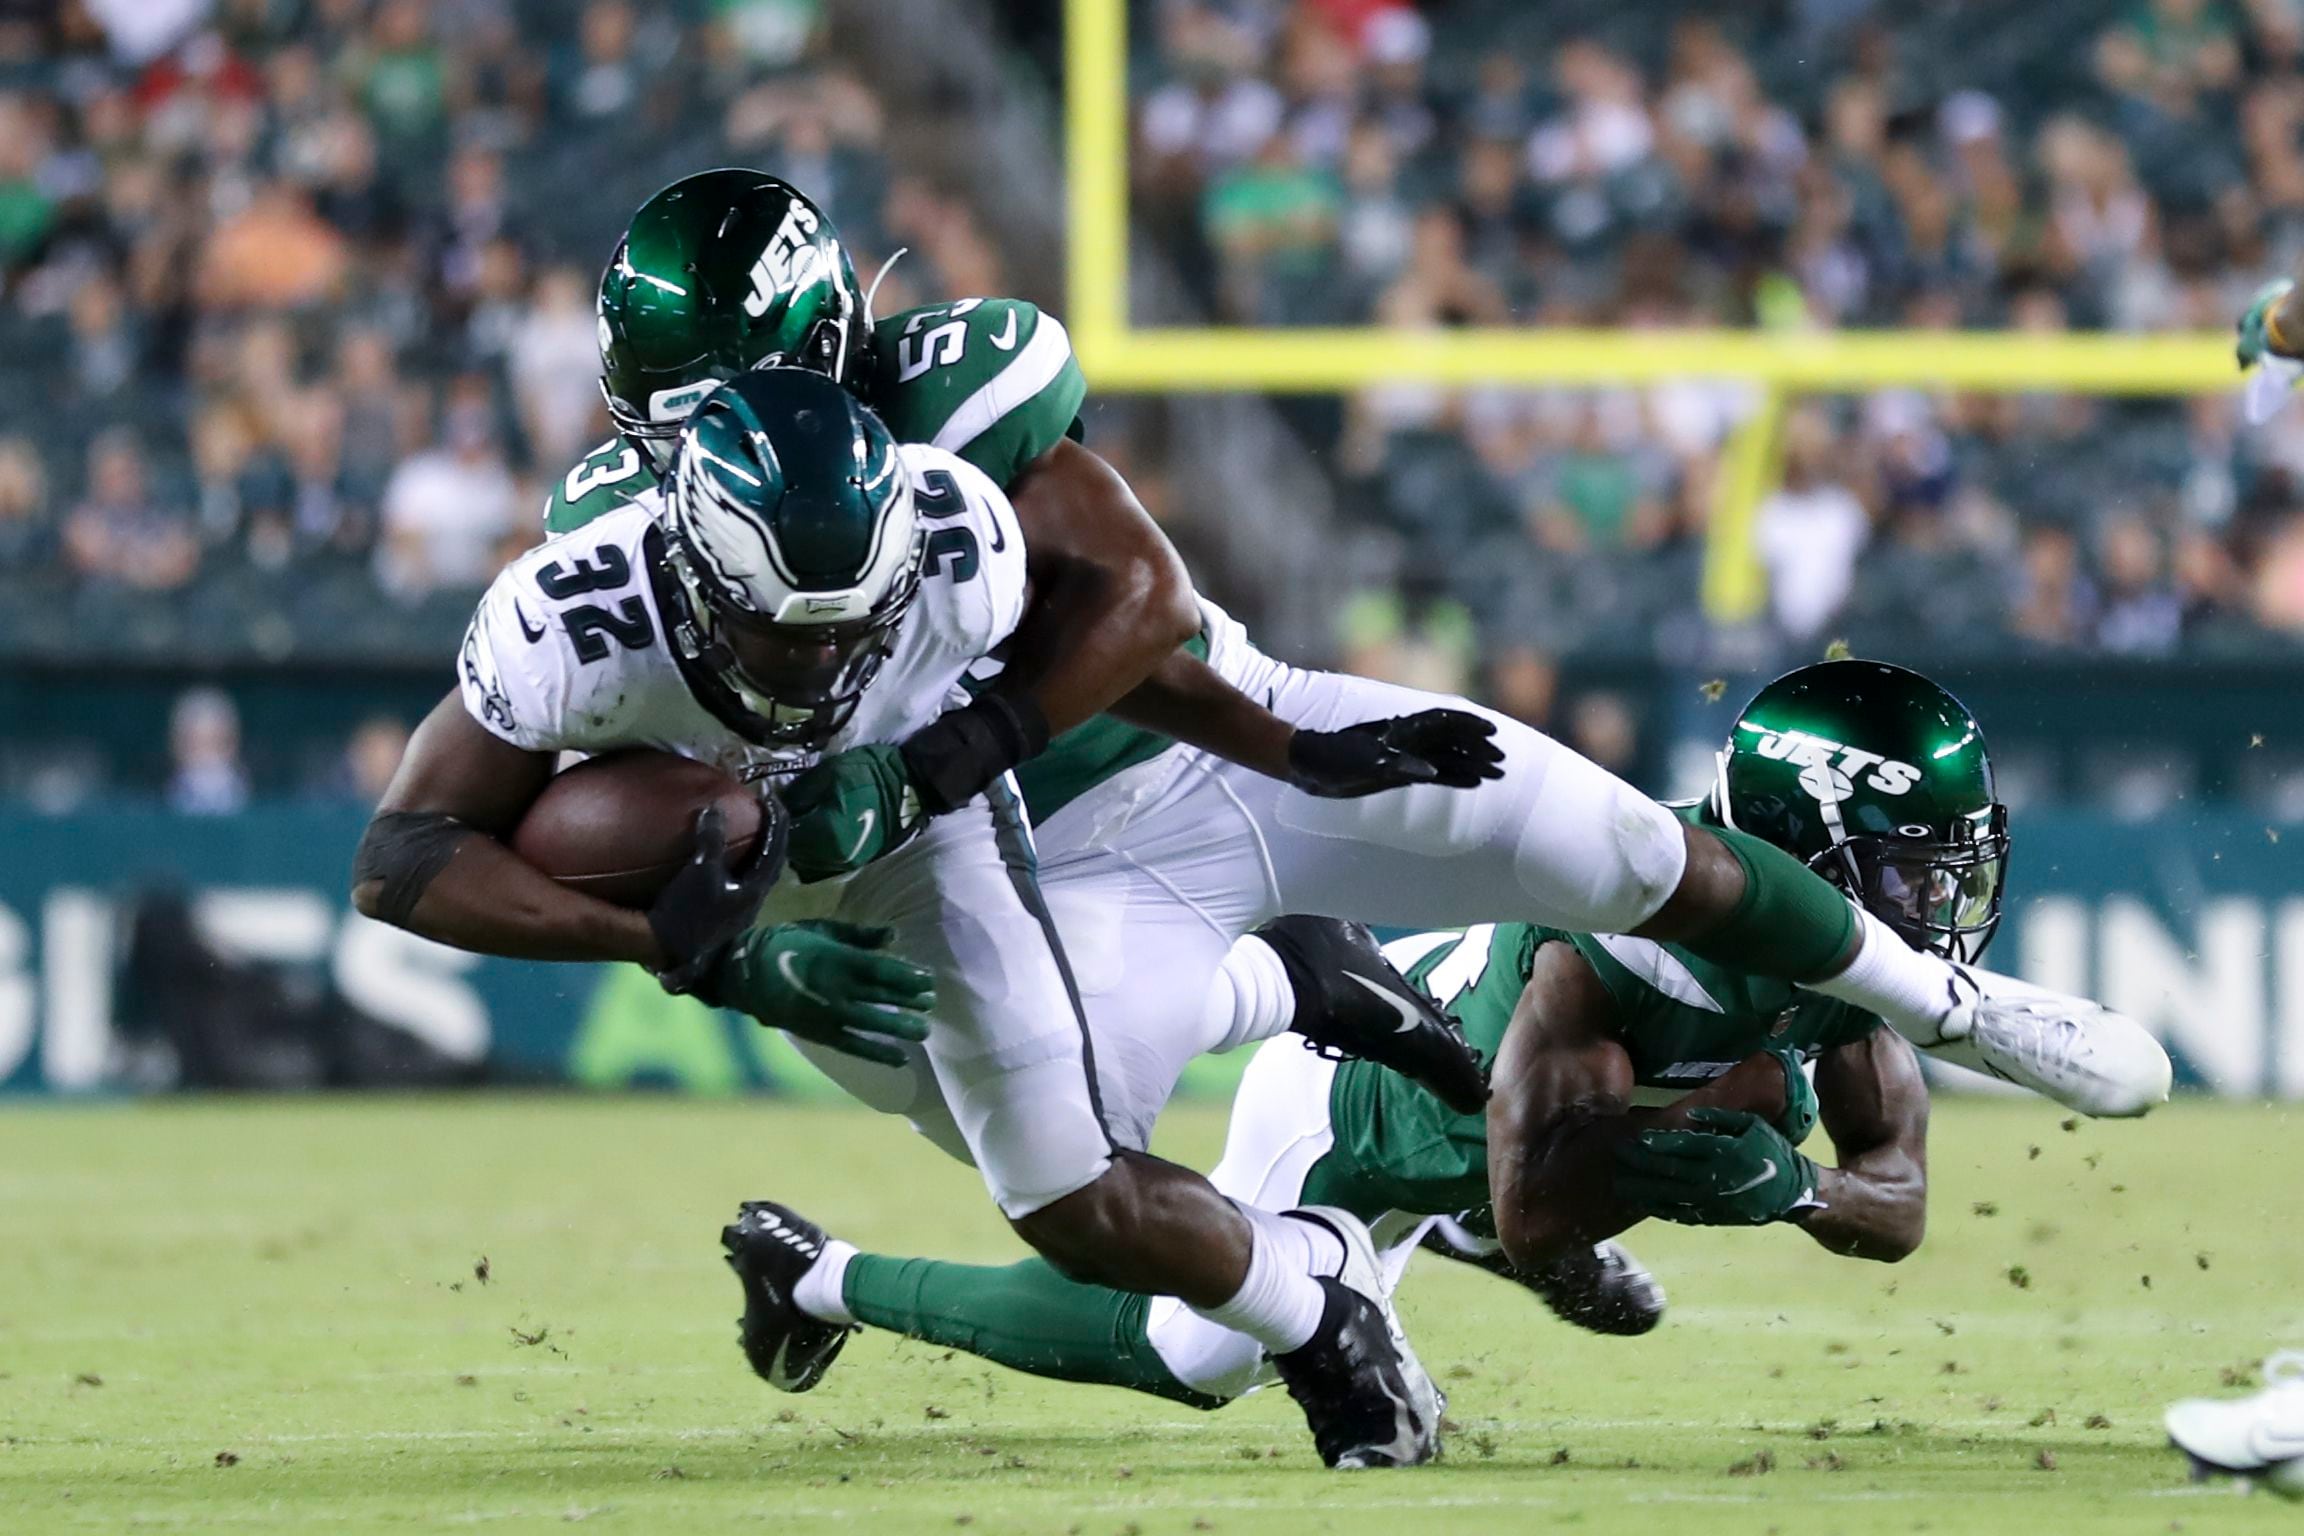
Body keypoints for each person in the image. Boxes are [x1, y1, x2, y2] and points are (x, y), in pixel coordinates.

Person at [555, 171, 2170, 1142]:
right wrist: (740, 921)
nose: (706, 451)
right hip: (989, 874)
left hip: (1204, 746)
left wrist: (917, 763)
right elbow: (579, 799)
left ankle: (1948, 1008)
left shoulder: (959, 393)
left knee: (1609, 840)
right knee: (1066, 1156)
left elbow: (1142, 610)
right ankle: (1292, 977)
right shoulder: (612, 540)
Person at [352, 370, 1494, 1469]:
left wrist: (1286, 747)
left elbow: (1135, 662)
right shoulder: (577, 622)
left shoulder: (953, 535)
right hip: (748, 871)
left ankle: (1318, 1318)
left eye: (855, 623)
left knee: (1064, 1187)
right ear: (697, 579)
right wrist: (693, 950)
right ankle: (1288, 980)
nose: (825, 661)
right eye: (785, 633)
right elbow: (401, 860)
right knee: (964, 1117)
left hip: (920, 828)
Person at [715, 662, 2040, 1409]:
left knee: (1749, 1110)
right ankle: (815, 1274)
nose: (1939, 904)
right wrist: (1595, 1213)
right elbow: (1543, 1213)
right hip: (1362, 1112)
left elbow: (1900, 1196)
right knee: (1201, 1357)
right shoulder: (1621, 955)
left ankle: (1411, 1179)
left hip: (1491, 1131)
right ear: (1805, 840)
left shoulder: (1840, 981)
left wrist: (1801, 1193)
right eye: (1916, 868)